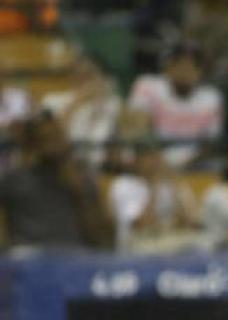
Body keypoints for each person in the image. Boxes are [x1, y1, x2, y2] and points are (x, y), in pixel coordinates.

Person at [0, 112, 113, 249]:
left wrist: (80, 194)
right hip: (29, 258)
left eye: (58, 136)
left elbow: (101, 238)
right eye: (47, 138)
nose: (55, 144)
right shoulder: (15, 181)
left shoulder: (82, 179)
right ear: (35, 144)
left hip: (76, 257)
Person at [127, 41, 223, 169]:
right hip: (150, 161)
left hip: (193, 165)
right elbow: (134, 128)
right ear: (168, 67)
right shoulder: (147, 85)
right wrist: (156, 160)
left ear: (200, 72)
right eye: (179, 66)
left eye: (191, 67)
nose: (184, 73)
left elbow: (211, 144)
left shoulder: (212, 98)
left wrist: (183, 165)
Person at [108, 142, 200, 253]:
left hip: (169, 249)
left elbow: (190, 223)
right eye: (148, 157)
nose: (154, 162)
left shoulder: (172, 184)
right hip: (135, 251)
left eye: (156, 156)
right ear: (136, 160)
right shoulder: (123, 185)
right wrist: (154, 187)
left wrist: (175, 185)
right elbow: (141, 225)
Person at [41, 56, 121, 168]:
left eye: (90, 74)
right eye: (79, 73)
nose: (84, 79)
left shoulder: (113, 104)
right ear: (71, 75)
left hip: (103, 167)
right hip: (64, 165)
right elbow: (53, 139)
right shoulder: (53, 100)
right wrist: (77, 102)